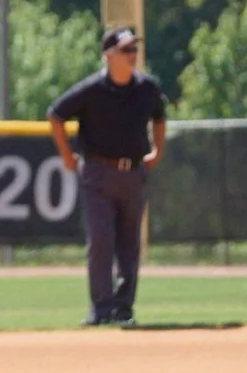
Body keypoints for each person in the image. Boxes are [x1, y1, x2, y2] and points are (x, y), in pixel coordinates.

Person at [47, 26, 168, 326]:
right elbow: (56, 114)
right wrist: (66, 156)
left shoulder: (146, 88)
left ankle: (124, 309)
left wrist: (158, 151)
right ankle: (101, 310)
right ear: (109, 54)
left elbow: (159, 117)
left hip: (134, 172)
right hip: (98, 174)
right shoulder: (91, 90)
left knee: (129, 243)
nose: (132, 55)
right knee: (101, 240)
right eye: (126, 50)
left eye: (134, 49)